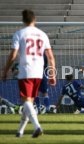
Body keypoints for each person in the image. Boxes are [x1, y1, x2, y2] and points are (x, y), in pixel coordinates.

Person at [2, 9, 56, 138]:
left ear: (23, 20)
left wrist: (5, 71)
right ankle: (20, 132)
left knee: (25, 100)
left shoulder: (20, 33)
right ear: (34, 19)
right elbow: (50, 57)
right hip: (39, 71)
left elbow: (13, 55)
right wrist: (52, 74)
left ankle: (37, 126)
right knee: (29, 102)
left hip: (26, 70)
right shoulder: (43, 34)